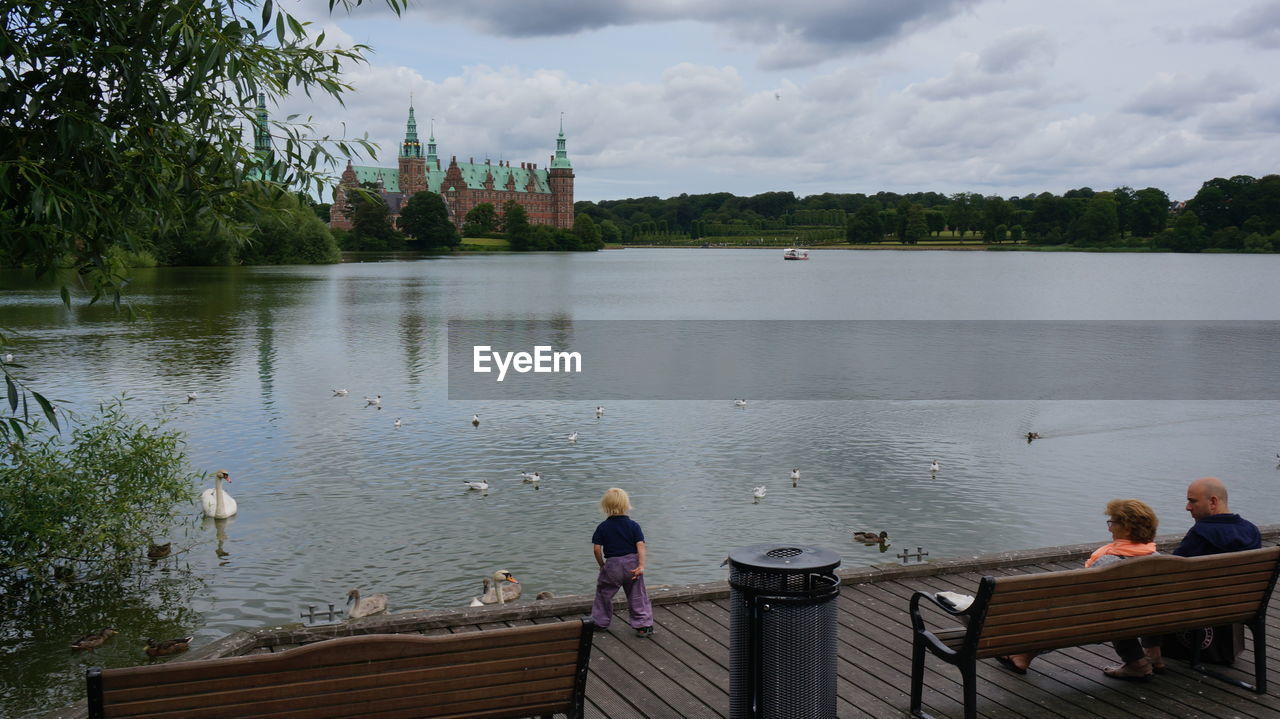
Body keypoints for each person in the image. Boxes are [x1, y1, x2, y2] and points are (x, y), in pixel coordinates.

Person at [997, 499, 1159, 676]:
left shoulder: (1110, 561)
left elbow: (1078, 599)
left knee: (1062, 611)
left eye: (1112, 523)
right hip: (1144, 617)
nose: (1109, 528)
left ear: (1127, 528)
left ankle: (1022, 656)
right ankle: (1138, 663)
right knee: (1118, 611)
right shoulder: (1159, 558)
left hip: (1100, 620)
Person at [590, 488, 654, 637]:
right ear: (626, 505)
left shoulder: (603, 527)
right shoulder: (633, 526)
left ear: (605, 507)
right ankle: (644, 625)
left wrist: (602, 566)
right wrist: (641, 566)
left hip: (612, 565)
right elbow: (641, 546)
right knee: (637, 595)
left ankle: (600, 622)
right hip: (632, 565)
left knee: (603, 594)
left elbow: (597, 549)